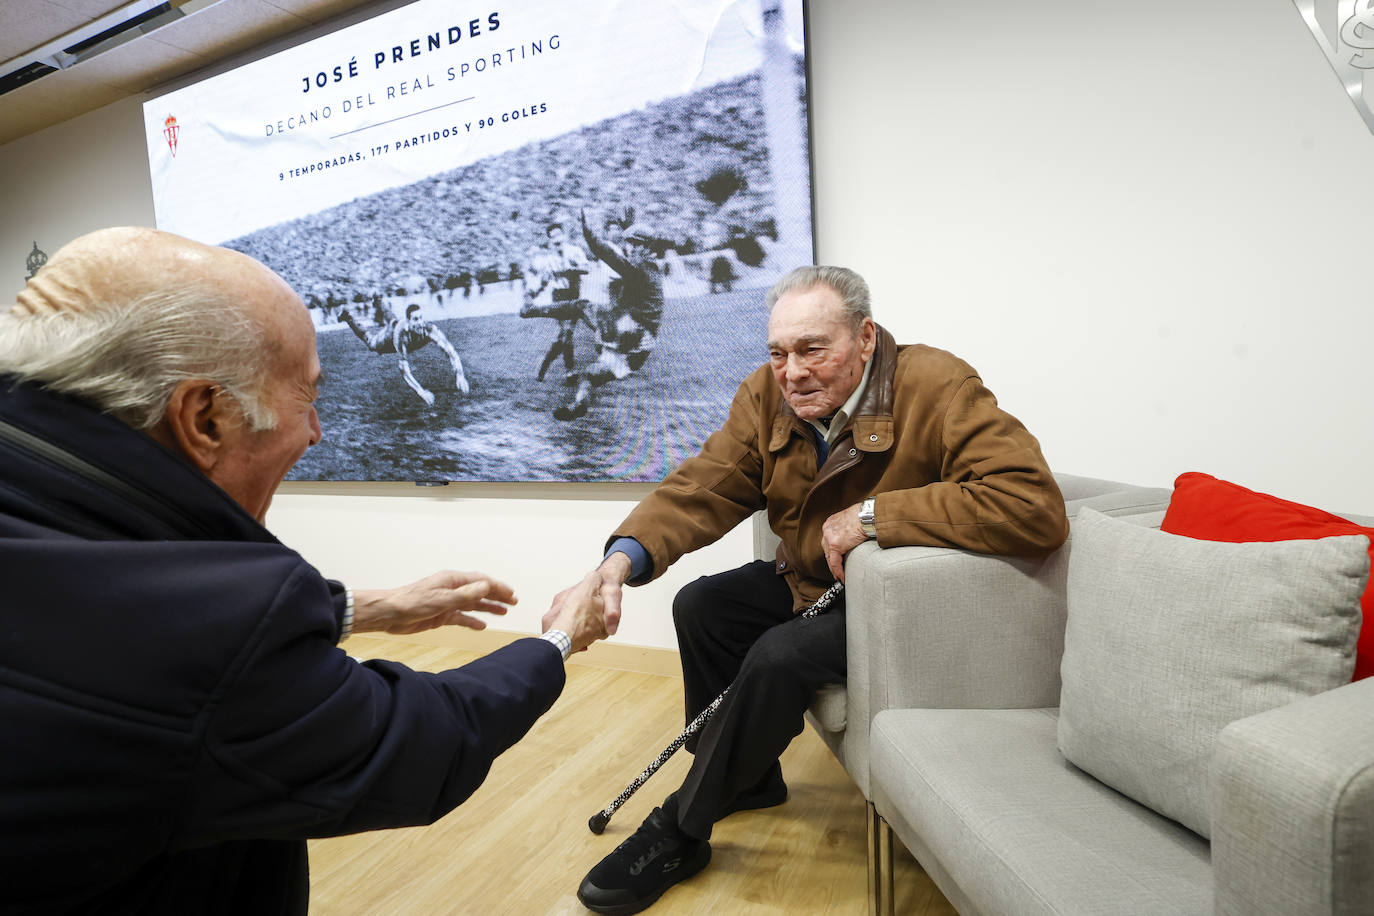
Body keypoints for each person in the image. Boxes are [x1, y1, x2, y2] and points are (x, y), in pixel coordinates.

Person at [0, 227, 608, 915]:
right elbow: (422, 743)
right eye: (306, 398)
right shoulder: (220, 633)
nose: (315, 432)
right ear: (205, 417)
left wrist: (368, 608)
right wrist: (559, 639)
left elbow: (111, 591)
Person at [552, 265, 1069, 914]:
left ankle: (682, 828)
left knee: (779, 653)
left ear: (865, 338)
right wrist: (618, 563)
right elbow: (703, 487)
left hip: (894, 604)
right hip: (810, 582)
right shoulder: (765, 396)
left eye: (812, 349)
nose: (791, 371)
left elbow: (1033, 506)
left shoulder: (936, 385)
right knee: (703, 606)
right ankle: (749, 780)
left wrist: (878, 516)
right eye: (777, 353)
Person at [552, 212, 666, 421]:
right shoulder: (650, 267)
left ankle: (540, 311)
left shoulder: (639, 268)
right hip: (639, 348)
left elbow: (609, 255)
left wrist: (588, 234)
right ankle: (578, 405)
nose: (630, 248)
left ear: (647, 247)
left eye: (635, 244)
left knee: (586, 309)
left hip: (633, 334)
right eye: (630, 243)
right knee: (589, 375)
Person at [340, 278, 470, 405]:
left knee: (391, 317)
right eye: (415, 319)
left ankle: (377, 297)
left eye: (420, 318)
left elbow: (451, 351)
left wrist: (460, 374)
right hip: (391, 335)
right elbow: (404, 370)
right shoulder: (401, 335)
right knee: (372, 344)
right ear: (408, 321)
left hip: (398, 324)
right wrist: (420, 391)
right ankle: (348, 317)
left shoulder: (430, 329)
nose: (419, 322)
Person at [519, 222, 593, 381]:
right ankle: (570, 371)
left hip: (574, 294)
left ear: (564, 235)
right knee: (566, 332)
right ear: (550, 240)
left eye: (558, 235)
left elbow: (587, 268)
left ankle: (543, 366)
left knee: (566, 335)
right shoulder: (549, 259)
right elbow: (544, 280)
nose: (556, 239)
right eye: (552, 237)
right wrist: (533, 295)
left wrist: (571, 270)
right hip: (559, 296)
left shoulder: (575, 251)